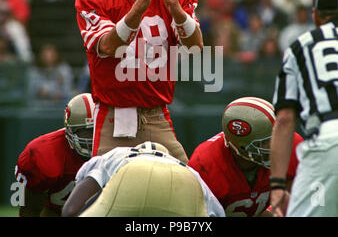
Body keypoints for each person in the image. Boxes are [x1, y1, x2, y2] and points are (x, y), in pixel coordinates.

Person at [74, 0, 203, 162]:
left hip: (157, 116)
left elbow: (195, 47)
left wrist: (178, 12)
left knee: (190, 186)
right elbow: (107, 46)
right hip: (113, 118)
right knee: (99, 188)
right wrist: (136, 12)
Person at [270, 0, 338, 217]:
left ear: (315, 16)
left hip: (327, 141)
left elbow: (285, 119)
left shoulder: (301, 45)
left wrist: (277, 185)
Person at [188, 97, 303, 217]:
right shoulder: (205, 165)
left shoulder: (293, 144)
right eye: (269, 140)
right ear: (242, 147)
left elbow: (300, 194)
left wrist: (273, 211)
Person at [62, 141, 225, 217]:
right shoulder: (190, 171)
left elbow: (70, 210)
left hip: (132, 173)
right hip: (183, 181)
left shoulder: (115, 155)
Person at [15, 93, 95, 217]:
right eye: (86, 132)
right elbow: (29, 211)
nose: (91, 138)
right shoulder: (45, 154)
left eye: (96, 130)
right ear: (69, 130)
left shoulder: (118, 148)